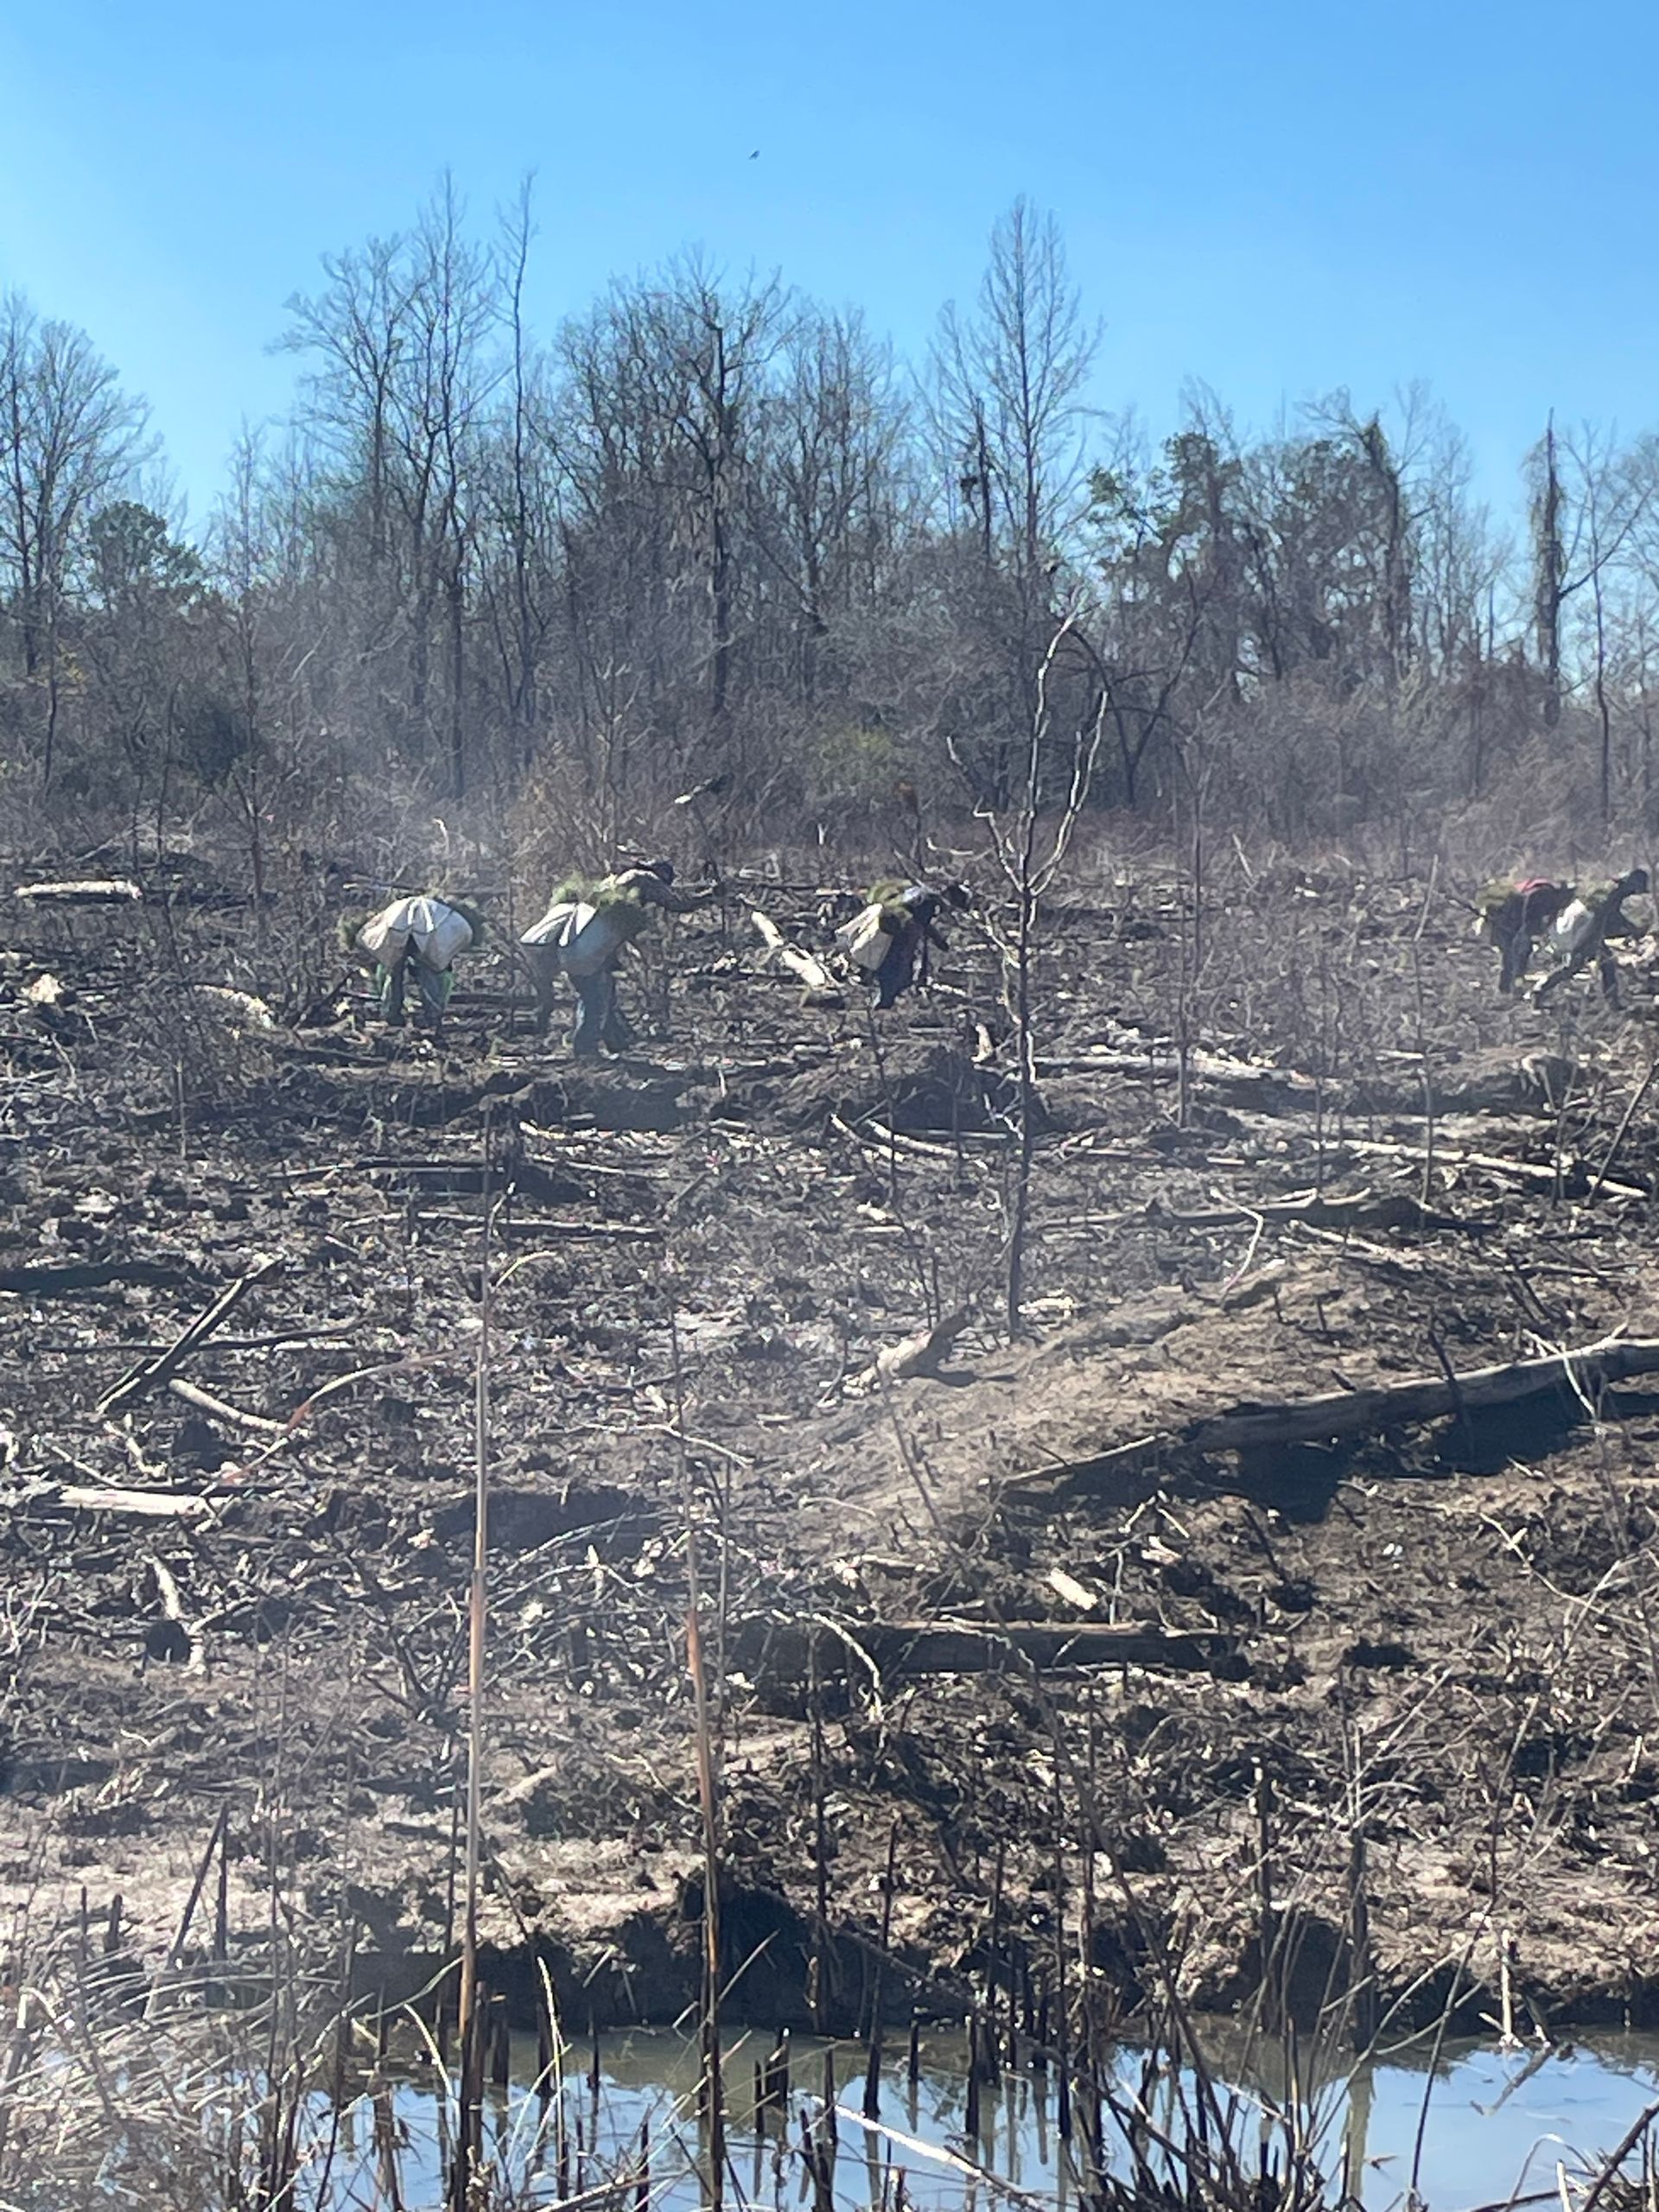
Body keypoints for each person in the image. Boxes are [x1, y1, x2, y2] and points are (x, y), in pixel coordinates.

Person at [519, 861, 714, 1056]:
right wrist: (710, 896)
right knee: (595, 1000)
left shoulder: (612, 884)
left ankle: (616, 1042)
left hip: (574, 946)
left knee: (600, 995)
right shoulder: (644, 879)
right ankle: (586, 1050)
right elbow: (677, 903)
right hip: (586, 950)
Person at [343, 893, 482, 1030]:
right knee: (416, 972)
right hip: (415, 931)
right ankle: (427, 1016)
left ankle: (398, 1014)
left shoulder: (392, 921)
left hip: (414, 931)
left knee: (411, 972)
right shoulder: (443, 917)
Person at [838, 880, 971, 1008]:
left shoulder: (922, 895)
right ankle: (879, 1005)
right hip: (887, 933)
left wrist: (938, 941)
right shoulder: (927, 902)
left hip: (883, 928)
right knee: (895, 976)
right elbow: (915, 928)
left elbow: (920, 925)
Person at [1532, 868, 1651, 1005]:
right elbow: (1608, 918)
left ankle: (1612, 1001)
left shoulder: (1610, 888)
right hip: (1589, 928)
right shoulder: (1616, 893)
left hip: (1583, 922)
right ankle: (1540, 989)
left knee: (1607, 964)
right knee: (1573, 965)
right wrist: (1632, 930)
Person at [1473, 877, 1575, 995]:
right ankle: (1509, 988)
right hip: (1509, 920)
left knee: (1512, 956)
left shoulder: (1549, 895)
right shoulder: (1544, 895)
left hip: (1512, 921)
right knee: (1515, 956)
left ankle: (1508, 987)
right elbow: (1531, 918)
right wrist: (1535, 934)